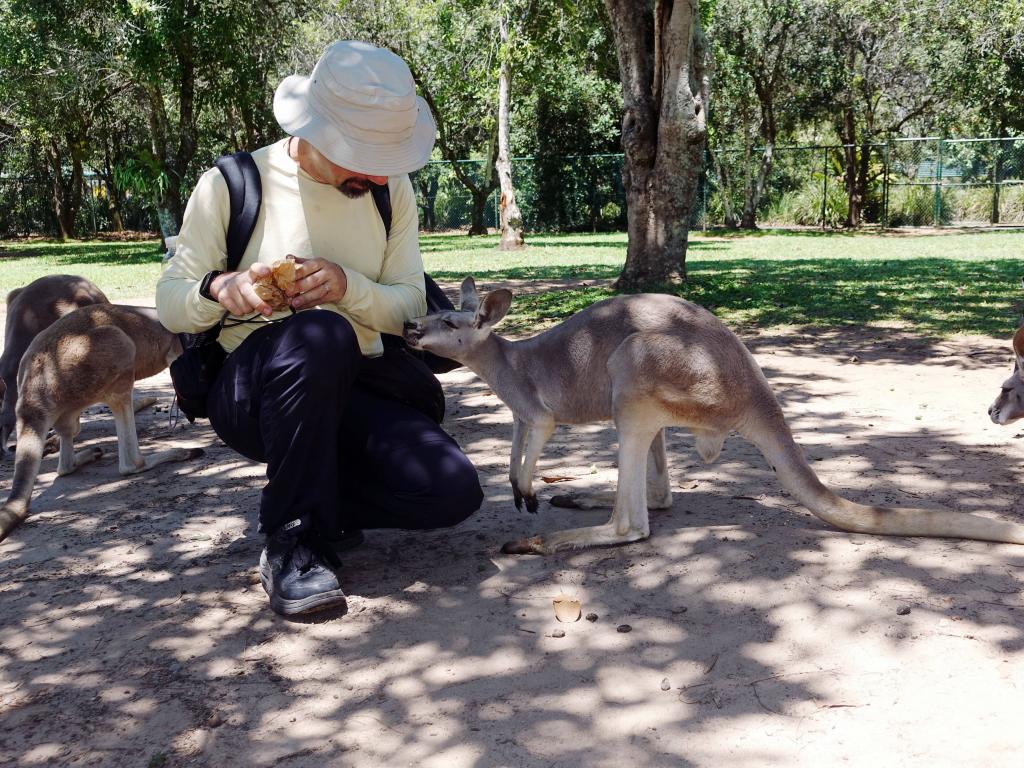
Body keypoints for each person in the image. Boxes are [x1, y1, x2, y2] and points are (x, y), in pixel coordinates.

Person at [156, 41, 483, 617]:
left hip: (359, 381)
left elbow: (410, 306)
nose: (377, 171)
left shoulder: (388, 191)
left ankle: (318, 503)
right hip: (254, 391)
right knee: (319, 335)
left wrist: (346, 286)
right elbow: (170, 304)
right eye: (362, 153)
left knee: (451, 489)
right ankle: (293, 540)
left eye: (385, 156)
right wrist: (221, 289)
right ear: (316, 129)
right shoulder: (232, 184)